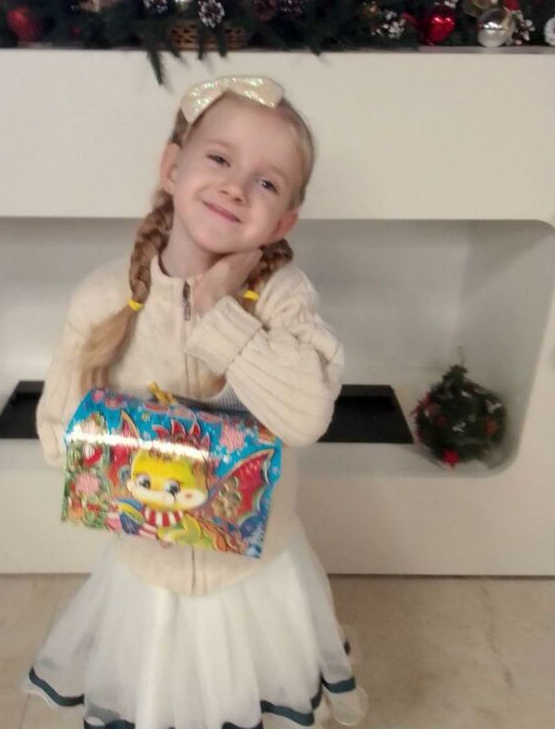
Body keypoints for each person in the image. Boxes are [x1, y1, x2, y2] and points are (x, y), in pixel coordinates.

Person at [24, 74, 369, 728]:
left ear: (285, 221)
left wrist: (216, 310)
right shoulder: (103, 295)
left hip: (253, 572)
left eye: (266, 182)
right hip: (145, 571)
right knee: (155, 693)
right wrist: (123, 443)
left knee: (251, 686)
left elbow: (306, 416)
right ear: (171, 167)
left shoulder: (283, 299)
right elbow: (57, 438)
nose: (236, 187)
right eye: (218, 158)